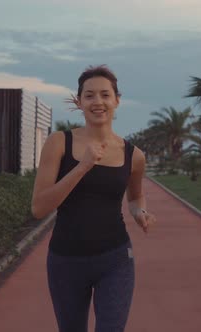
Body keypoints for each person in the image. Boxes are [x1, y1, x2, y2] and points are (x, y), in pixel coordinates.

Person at [31, 65, 155, 332]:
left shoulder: (134, 155)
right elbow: (39, 208)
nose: (98, 102)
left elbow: (136, 197)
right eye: (89, 96)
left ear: (117, 100)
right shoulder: (58, 143)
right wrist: (82, 166)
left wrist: (140, 213)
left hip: (116, 257)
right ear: (79, 102)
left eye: (105, 95)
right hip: (66, 259)